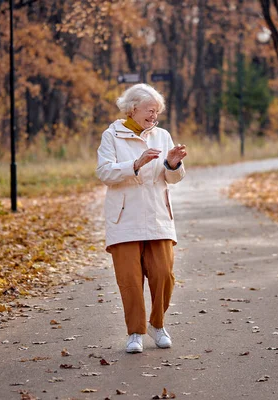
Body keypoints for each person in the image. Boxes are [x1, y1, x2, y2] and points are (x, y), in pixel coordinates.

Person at [96, 83, 187, 353]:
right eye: (150, 110)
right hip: (125, 218)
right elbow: (104, 173)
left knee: (164, 276)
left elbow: (174, 178)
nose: (154, 116)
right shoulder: (112, 135)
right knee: (130, 281)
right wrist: (135, 164)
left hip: (158, 216)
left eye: (157, 111)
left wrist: (173, 163)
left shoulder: (162, 135)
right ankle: (135, 333)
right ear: (133, 109)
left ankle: (157, 325)